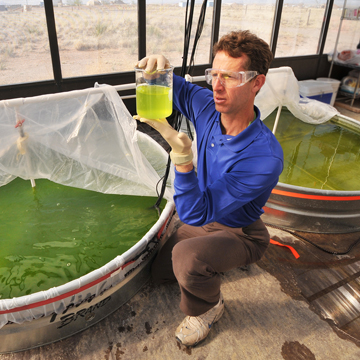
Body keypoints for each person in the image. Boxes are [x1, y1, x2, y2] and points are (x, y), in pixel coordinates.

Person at [134, 30, 284, 347]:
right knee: (160, 274)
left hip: (240, 230)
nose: (217, 86)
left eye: (230, 77)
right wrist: (161, 69)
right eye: (213, 74)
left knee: (187, 259)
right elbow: (183, 90)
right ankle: (212, 263)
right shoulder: (209, 109)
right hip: (207, 217)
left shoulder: (263, 158)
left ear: (257, 83)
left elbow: (193, 212)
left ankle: (209, 308)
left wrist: (184, 159)